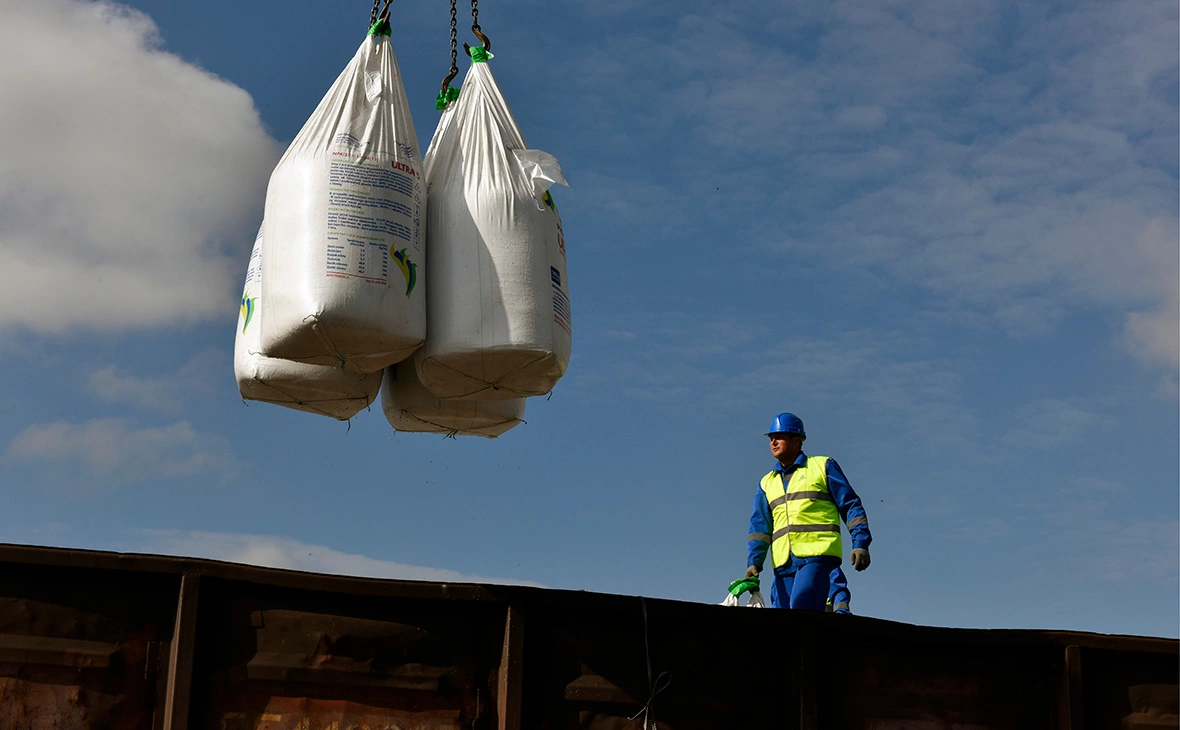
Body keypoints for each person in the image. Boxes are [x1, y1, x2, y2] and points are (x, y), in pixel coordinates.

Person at [745, 412, 872, 611]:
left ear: (797, 440)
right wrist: (754, 563)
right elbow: (760, 528)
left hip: (817, 556)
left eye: (779, 437)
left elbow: (850, 504)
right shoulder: (766, 482)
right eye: (771, 438)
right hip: (784, 565)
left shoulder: (822, 466)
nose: (773, 442)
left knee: (802, 604)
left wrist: (860, 543)